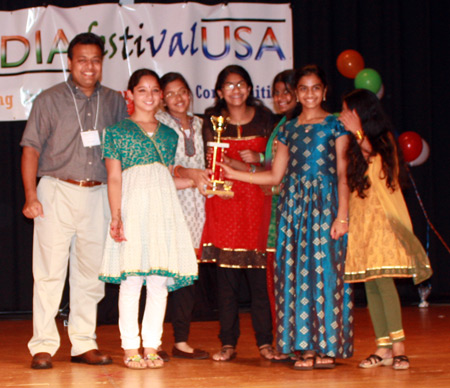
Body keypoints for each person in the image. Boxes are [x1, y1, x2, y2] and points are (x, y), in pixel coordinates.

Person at [219, 64, 354, 369]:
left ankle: (328, 347)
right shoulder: (288, 129)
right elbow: (275, 176)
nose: (309, 94)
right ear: (296, 93)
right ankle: (303, 348)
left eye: (315, 88)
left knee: (326, 273)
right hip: (293, 208)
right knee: (295, 275)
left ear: (324, 91)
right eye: (303, 89)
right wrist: (236, 175)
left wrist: (342, 216)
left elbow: (344, 173)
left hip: (325, 205)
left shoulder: (335, 125)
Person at [20, 32, 128, 370]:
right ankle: (43, 345)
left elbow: (123, 152)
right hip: (56, 190)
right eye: (82, 59)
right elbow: (31, 149)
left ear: (102, 63)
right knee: (49, 272)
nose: (89, 66)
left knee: (90, 275)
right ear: (69, 62)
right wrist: (30, 196)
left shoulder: (113, 101)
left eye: (95, 59)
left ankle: (83, 342)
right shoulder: (50, 99)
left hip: (98, 193)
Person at [99, 68, 198, 370]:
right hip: (131, 209)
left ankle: (151, 346)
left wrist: (196, 181)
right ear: (129, 94)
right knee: (130, 282)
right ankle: (130, 347)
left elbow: (165, 175)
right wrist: (117, 216)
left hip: (162, 211)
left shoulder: (169, 135)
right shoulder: (116, 132)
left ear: (161, 97)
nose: (150, 96)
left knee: (157, 283)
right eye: (142, 90)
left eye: (155, 90)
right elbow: (114, 178)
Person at [339, 88, 432, 370]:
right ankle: (383, 346)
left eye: (347, 110)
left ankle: (399, 347)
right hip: (360, 222)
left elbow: (378, 165)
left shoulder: (383, 140)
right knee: (370, 285)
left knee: (385, 282)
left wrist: (357, 133)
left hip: (383, 222)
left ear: (361, 113)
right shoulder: (350, 144)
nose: (342, 116)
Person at [200, 65, 277, 362]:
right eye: (229, 85)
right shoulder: (211, 121)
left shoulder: (266, 119)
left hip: (258, 204)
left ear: (249, 88)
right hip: (225, 202)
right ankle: (228, 343)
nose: (236, 90)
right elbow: (213, 163)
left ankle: (265, 342)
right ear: (220, 92)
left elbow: (277, 163)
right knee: (226, 283)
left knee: (260, 282)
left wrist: (258, 159)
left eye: (241, 84)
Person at [154, 72, 209, 360]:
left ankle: (182, 341)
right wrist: (191, 176)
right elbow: (162, 165)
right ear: (162, 98)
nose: (179, 98)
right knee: (161, 276)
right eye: (171, 93)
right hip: (168, 204)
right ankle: (154, 340)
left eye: (183, 92)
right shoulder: (158, 123)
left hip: (198, 207)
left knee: (187, 275)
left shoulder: (202, 124)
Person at [262, 70, 302, 325]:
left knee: (299, 278)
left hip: (301, 210)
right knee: (277, 280)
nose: (281, 97)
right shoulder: (280, 125)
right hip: (275, 213)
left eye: (286, 91)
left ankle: (304, 340)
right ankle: (285, 339)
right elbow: (271, 168)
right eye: (276, 92)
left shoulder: (306, 124)